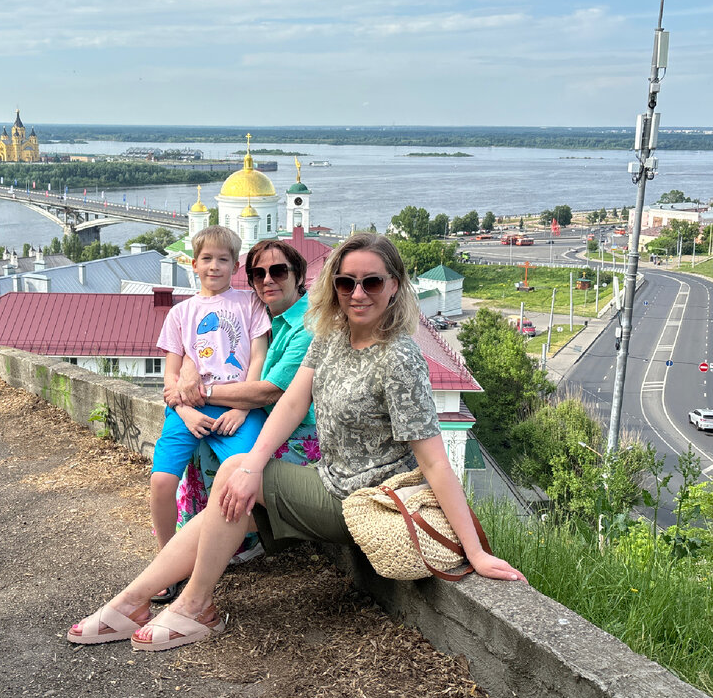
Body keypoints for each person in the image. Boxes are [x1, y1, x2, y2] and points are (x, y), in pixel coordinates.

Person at [68, 233, 526, 650]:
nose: (358, 294)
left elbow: (434, 461)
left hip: (365, 501)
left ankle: (194, 607)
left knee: (232, 474)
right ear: (334, 287)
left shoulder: (399, 358)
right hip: (329, 481)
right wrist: (253, 465)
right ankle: (133, 601)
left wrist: (476, 550)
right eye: (347, 283)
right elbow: (289, 404)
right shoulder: (332, 336)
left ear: (395, 286)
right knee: (229, 495)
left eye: (371, 282)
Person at [167, 239, 319, 564]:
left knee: (236, 458)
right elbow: (204, 337)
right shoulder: (258, 311)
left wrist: (201, 393)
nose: (267, 280)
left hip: (300, 435)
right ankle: (208, 531)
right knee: (203, 437)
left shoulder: (308, 327)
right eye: (257, 273)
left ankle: (243, 536)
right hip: (266, 419)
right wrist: (192, 368)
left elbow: (269, 391)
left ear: (298, 275)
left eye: (278, 271)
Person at [150, 226, 270, 559]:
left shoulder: (250, 303)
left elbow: (257, 359)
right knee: (161, 481)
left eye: (223, 259)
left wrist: (244, 409)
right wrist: (185, 411)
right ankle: (167, 557)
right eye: (206, 259)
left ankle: (232, 546)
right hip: (187, 409)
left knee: (243, 476)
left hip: (238, 409)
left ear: (235, 266)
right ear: (194, 264)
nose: (214, 266)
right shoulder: (181, 313)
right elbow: (170, 377)